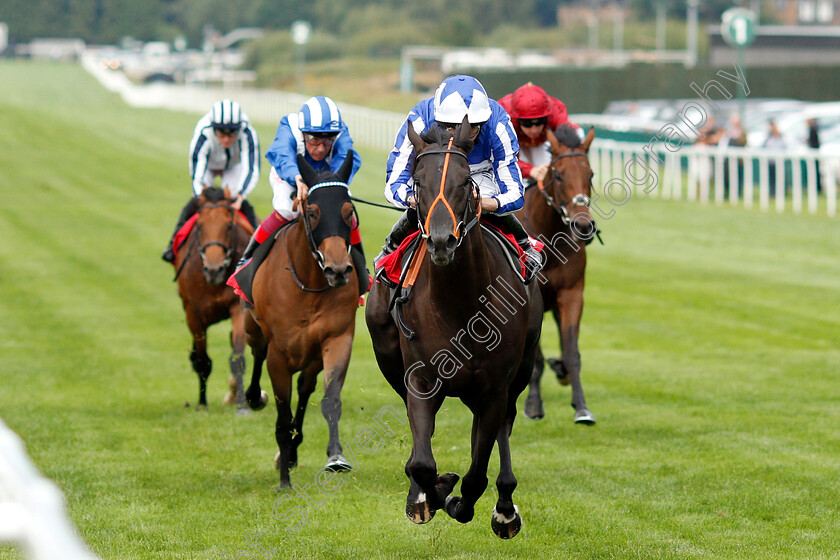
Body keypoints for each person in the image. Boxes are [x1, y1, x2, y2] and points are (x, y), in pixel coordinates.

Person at [380, 74, 541, 284]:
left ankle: (524, 245)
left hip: (478, 174)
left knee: (487, 202)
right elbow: (394, 183)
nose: (460, 136)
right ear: (439, 120)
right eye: (450, 128)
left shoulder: (498, 122)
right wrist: (414, 198)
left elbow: (515, 192)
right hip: (432, 173)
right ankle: (389, 251)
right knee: (423, 204)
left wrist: (487, 202)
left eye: (473, 129)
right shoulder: (420, 118)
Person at [235, 95, 364, 271]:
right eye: (314, 139)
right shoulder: (290, 126)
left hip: (325, 177)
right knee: (287, 210)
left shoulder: (340, 130)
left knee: (345, 212)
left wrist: (329, 189)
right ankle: (248, 259)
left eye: (328, 141)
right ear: (303, 133)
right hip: (289, 173)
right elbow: (282, 155)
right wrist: (297, 178)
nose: (320, 148)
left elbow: (345, 159)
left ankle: (361, 268)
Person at [161, 99, 260, 263]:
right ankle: (172, 245)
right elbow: (197, 171)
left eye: (232, 134)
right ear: (213, 129)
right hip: (207, 165)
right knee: (196, 201)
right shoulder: (203, 132)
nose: (227, 139)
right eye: (221, 134)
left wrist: (241, 194)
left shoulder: (248, 132)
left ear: (239, 129)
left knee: (237, 199)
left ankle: (259, 246)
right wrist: (201, 194)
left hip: (233, 166)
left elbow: (251, 167)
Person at [498, 82, 581, 187]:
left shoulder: (556, 111)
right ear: (517, 119)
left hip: (542, 142)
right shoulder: (503, 117)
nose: (534, 130)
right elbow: (503, 158)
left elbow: (568, 152)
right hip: (514, 143)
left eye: (539, 122)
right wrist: (530, 171)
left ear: (547, 117)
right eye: (527, 123)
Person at [762, 120, 786, 197]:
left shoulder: (781, 138)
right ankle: (772, 193)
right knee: (771, 179)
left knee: (780, 179)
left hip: (779, 162)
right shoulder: (768, 138)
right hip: (771, 161)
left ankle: (780, 193)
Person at [806, 118, 822, 193]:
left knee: (815, 171)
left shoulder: (813, 129)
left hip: (814, 153)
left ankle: (818, 188)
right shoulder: (813, 128)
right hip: (814, 152)